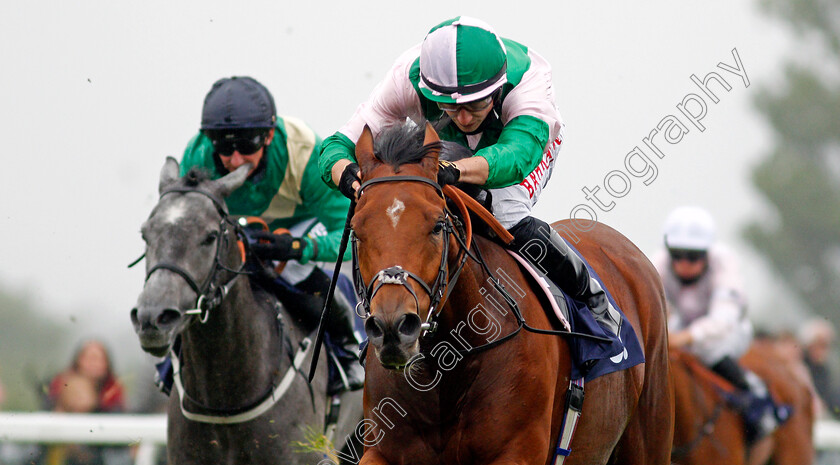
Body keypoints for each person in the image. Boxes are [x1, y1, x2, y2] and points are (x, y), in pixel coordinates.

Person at [319, 15, 620, 337]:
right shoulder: (405, 78)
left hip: (516, 143)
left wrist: (455, 170)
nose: (462, 116)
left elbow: (517, 156)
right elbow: (335, 146)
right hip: (441, 145)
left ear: (497, 87)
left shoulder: (529, 83)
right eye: (449, 105)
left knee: (505, 213)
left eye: (475, 104)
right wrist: (349, 177)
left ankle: (593, 301)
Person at [179, 75, 364, 395]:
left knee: (290, 265)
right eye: (224, 146)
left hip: (298, 226)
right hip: (233, 227)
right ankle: (173, 359)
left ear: (268, 135)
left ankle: (347, 348)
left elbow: (353, 237)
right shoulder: (196, 158)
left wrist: (300, 247)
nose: (235, 160)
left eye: (246, 145)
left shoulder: (305, 152)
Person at [655, 206, 778, 443]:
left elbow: (723, 319)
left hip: (730, 331)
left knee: (707, 349)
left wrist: (681, 338)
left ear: (707, 254)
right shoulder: (657, 262)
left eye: (693, 256)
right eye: (677, 255)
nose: (684, 263)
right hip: (685, 324)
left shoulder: (725, 263)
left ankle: (756, 394)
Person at [37, 340, 126, 465]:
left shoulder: (113, 393)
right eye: (89, 357)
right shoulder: (60, 384)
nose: (93, 364)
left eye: (99, 358)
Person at [799, 318, 839, 418]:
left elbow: (829, 398)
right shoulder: (798, 363)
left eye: (826, 346)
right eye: (820, 344)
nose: (822, 350)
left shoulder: (823, 371)